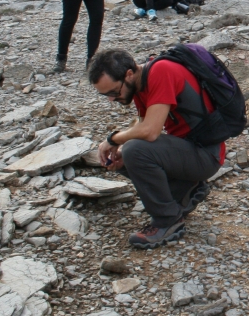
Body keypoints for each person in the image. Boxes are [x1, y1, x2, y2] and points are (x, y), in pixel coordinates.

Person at [89, 48, 223, 248]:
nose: (111, 99)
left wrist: (113, 139)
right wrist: (121, 154)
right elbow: (144, 130)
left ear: (129, 74)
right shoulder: (138, 85)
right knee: (128, 154)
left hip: (207, 155)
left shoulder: (161, 71)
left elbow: (150, 131)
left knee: (134, 150)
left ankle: (167, 220)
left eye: (113, 92)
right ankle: (185, 190)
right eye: (105, 95)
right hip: (190, 151)